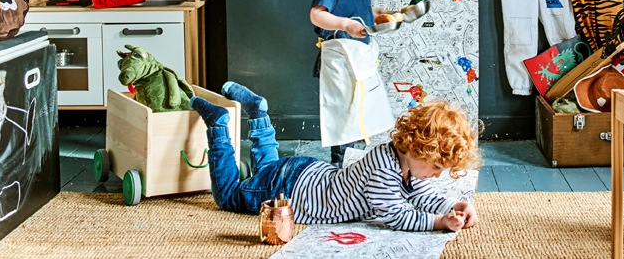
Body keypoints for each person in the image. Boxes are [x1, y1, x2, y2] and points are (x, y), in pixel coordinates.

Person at [190, 83, 481, 232]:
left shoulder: (406, 164)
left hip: (304, 174)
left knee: (266, 170)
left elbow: (424, 195)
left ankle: (258, 113)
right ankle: (218, 124)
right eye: (437, 166)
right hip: (293, 193)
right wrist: (440, 222)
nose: (437, 175)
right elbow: (396, 215)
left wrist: (452, 205)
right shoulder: (383, 169)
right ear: (419, 148)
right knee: (229, 197)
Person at [310, 0, 395, 166]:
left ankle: (356, 162)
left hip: (360, 53)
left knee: (362, 108)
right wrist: (346, 24)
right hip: (339, 55)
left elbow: (357, 10)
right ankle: (340, 164)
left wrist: (377, 14)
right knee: (343, 112)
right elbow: (317, 15)